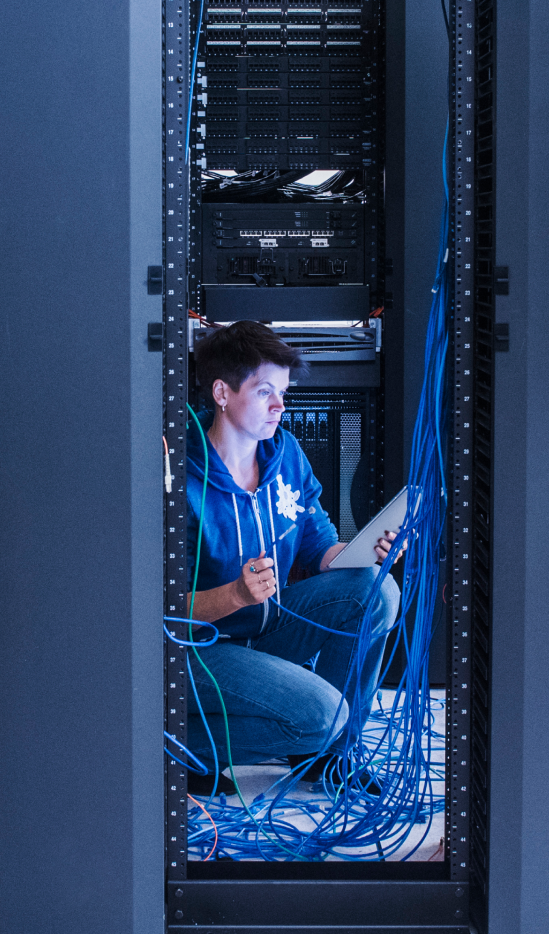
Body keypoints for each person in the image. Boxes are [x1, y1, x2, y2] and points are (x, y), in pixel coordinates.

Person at [183, 321, 400, 796]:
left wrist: (366, 554)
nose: (280, 405)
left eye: (282, 392)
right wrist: (235, 594)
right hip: (201, 651)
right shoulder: (178, 472)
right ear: (222, 392)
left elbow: (319, 548)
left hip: (268, 630)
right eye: (265, 392)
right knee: (323, 716)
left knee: (375, 590)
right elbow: (154, 611)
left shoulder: (286, 456)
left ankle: (331, 759)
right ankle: (184, 747)